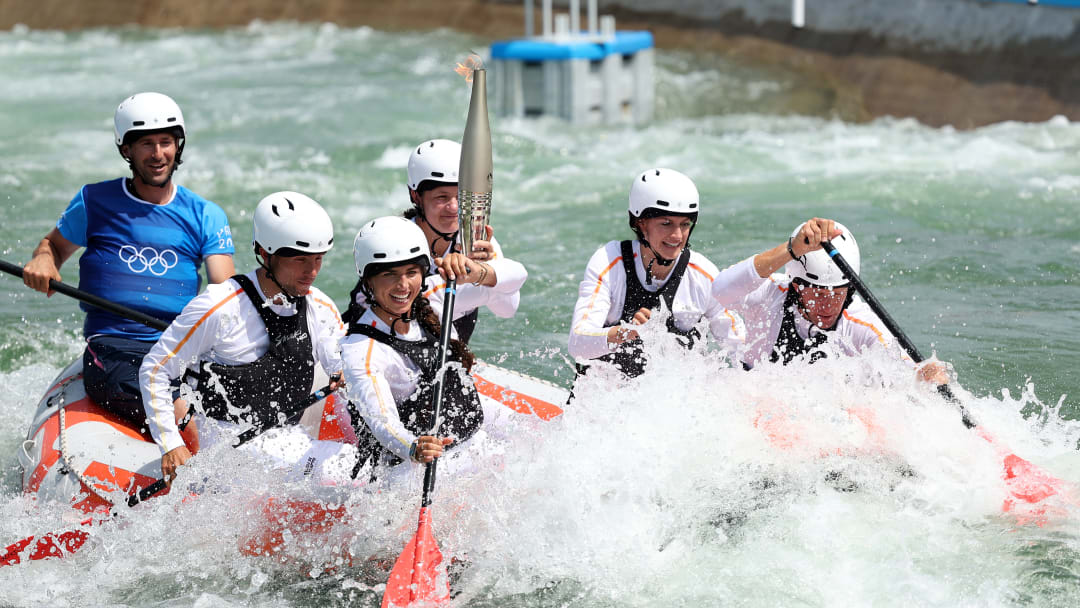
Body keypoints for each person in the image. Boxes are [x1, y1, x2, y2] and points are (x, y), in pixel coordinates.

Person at [22, 92, 235, 426]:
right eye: (146, 144)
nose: (158, 154)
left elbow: (225, 297)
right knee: (185, 418)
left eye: (166, 142)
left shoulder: (206, 214)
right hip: (115, 349)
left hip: (179, 347)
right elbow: (53, 246)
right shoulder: (95, 201)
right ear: (126, 150)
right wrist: (43, 261)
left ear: (178, 146)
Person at [139, 191, 344, 482]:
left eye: (319, 259)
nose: (312, 271)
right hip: (229, 453)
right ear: (265, 253)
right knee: (344, 471)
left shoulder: (320, 307)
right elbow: (155, 370)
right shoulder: (219, 307)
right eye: (300, 260)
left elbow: (342, 366)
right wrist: (171, 445)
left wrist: (348, 372)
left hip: (291, 441)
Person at [709, 217, 949, 383]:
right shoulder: (770, 294)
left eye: (837, 293)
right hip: (751, 396)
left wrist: (921, 376)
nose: (828, 304)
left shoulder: (860, 324)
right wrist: (791, 250)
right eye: (818, 293)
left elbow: (900, 369)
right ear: (796, 285)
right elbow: (721, 289)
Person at [340, 216, 489, 481]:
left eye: (411, 273)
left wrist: (481, 271)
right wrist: (413, 447)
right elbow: (382, 423)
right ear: (368, 281)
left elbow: (515, 280)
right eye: (389, 275)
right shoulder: (360, 349)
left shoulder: (434, 306)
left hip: (465, 445)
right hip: (404, 469)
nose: (403, 286)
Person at [342, 139, 526, 344]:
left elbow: (507, 309)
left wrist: (485, 270)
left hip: (436, 356)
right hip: (374, 347)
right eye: (442, 197)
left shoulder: (477, 241)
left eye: (461, 197)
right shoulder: (393, 239)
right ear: (416, 196)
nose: (454, 208)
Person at [568, 168, 745, 379]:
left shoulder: (703, 275)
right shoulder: (608, 262)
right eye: (666, 223)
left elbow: (741, 348)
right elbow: (578, 343)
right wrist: (626, 333)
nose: (677, 236)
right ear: (640, 223)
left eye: (685, 224)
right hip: (602, 400)